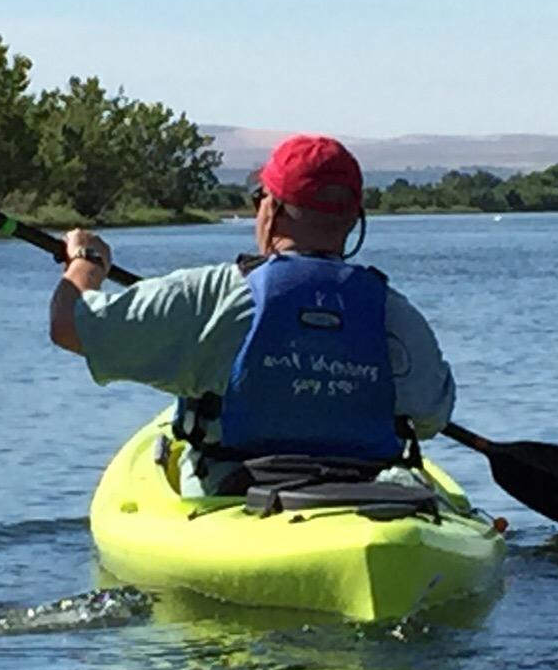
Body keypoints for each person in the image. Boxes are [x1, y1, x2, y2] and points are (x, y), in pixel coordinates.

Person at [48, 133, 456, 495]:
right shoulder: (396, 314)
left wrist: (86, 262)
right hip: (369, 493)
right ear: (354, 219)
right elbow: (430, 418)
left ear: (271, 209)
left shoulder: (211, 295)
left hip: (237, 491)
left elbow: (70, 325)